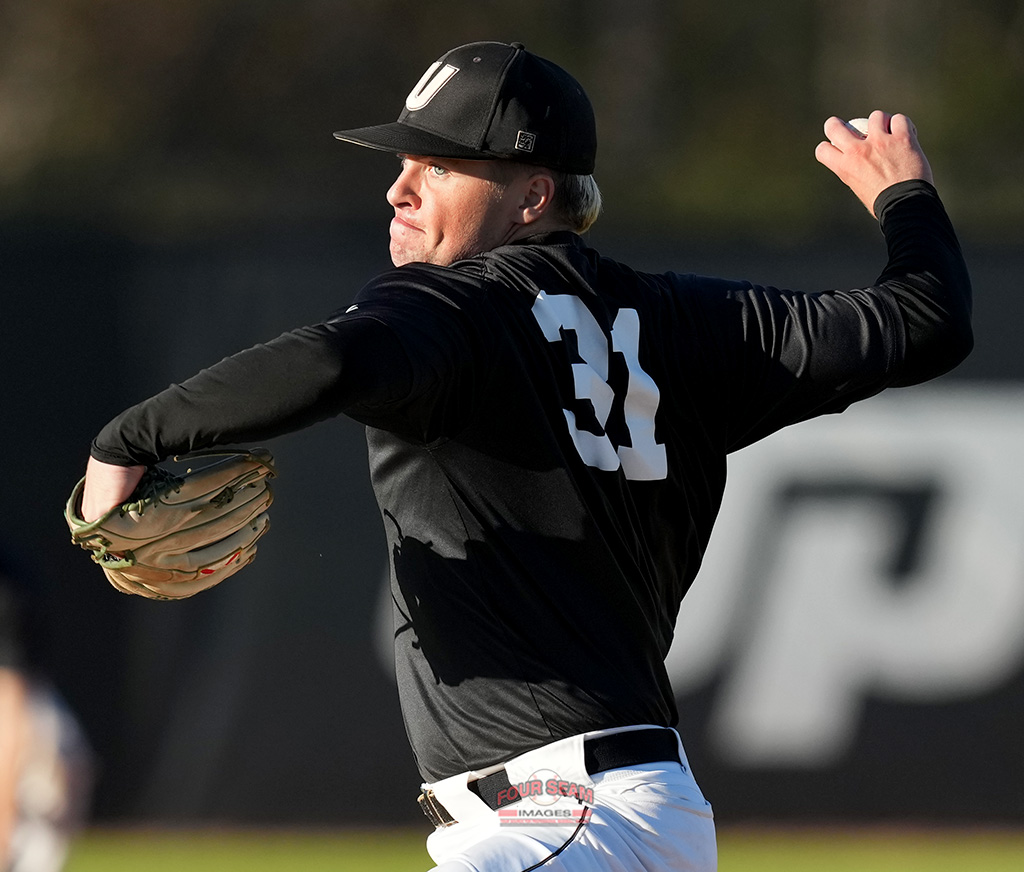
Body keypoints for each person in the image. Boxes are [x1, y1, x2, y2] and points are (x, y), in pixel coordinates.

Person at [76, 40, 971, 872]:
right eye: (402, 163)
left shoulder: (455, 313)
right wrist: (905, 197)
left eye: (438, 166)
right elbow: (925, 320)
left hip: (561, 810)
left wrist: (130, 439)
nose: (400, 189)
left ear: (533, 196)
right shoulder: (698, 325)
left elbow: (330, 360)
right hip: (611, 812)